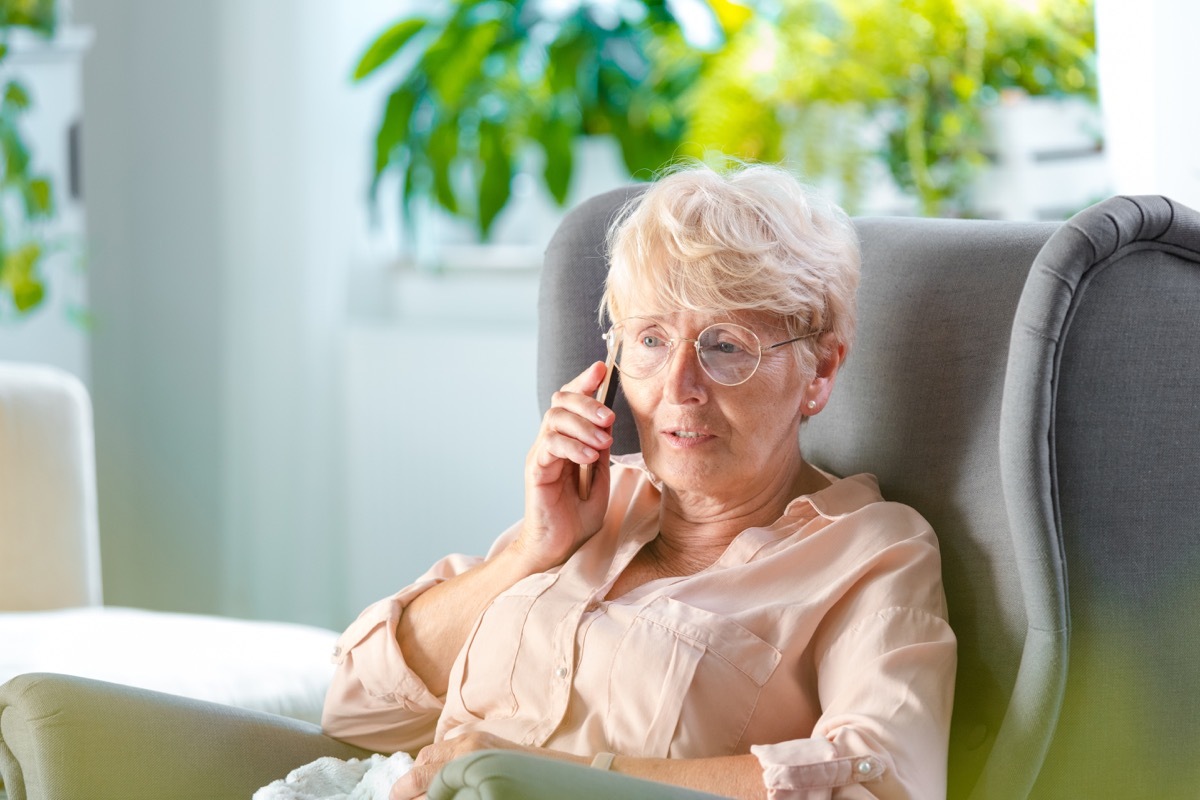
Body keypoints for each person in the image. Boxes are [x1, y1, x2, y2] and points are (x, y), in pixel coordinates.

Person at [322, 162, 957, 800]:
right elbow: (355, 707)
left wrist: (540, 778)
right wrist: (532, 550)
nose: (678, 388)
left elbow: (884, 781)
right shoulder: (593, 499)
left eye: (727, 346)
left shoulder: (871, 551)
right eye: (650, 339)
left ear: (819, 369)